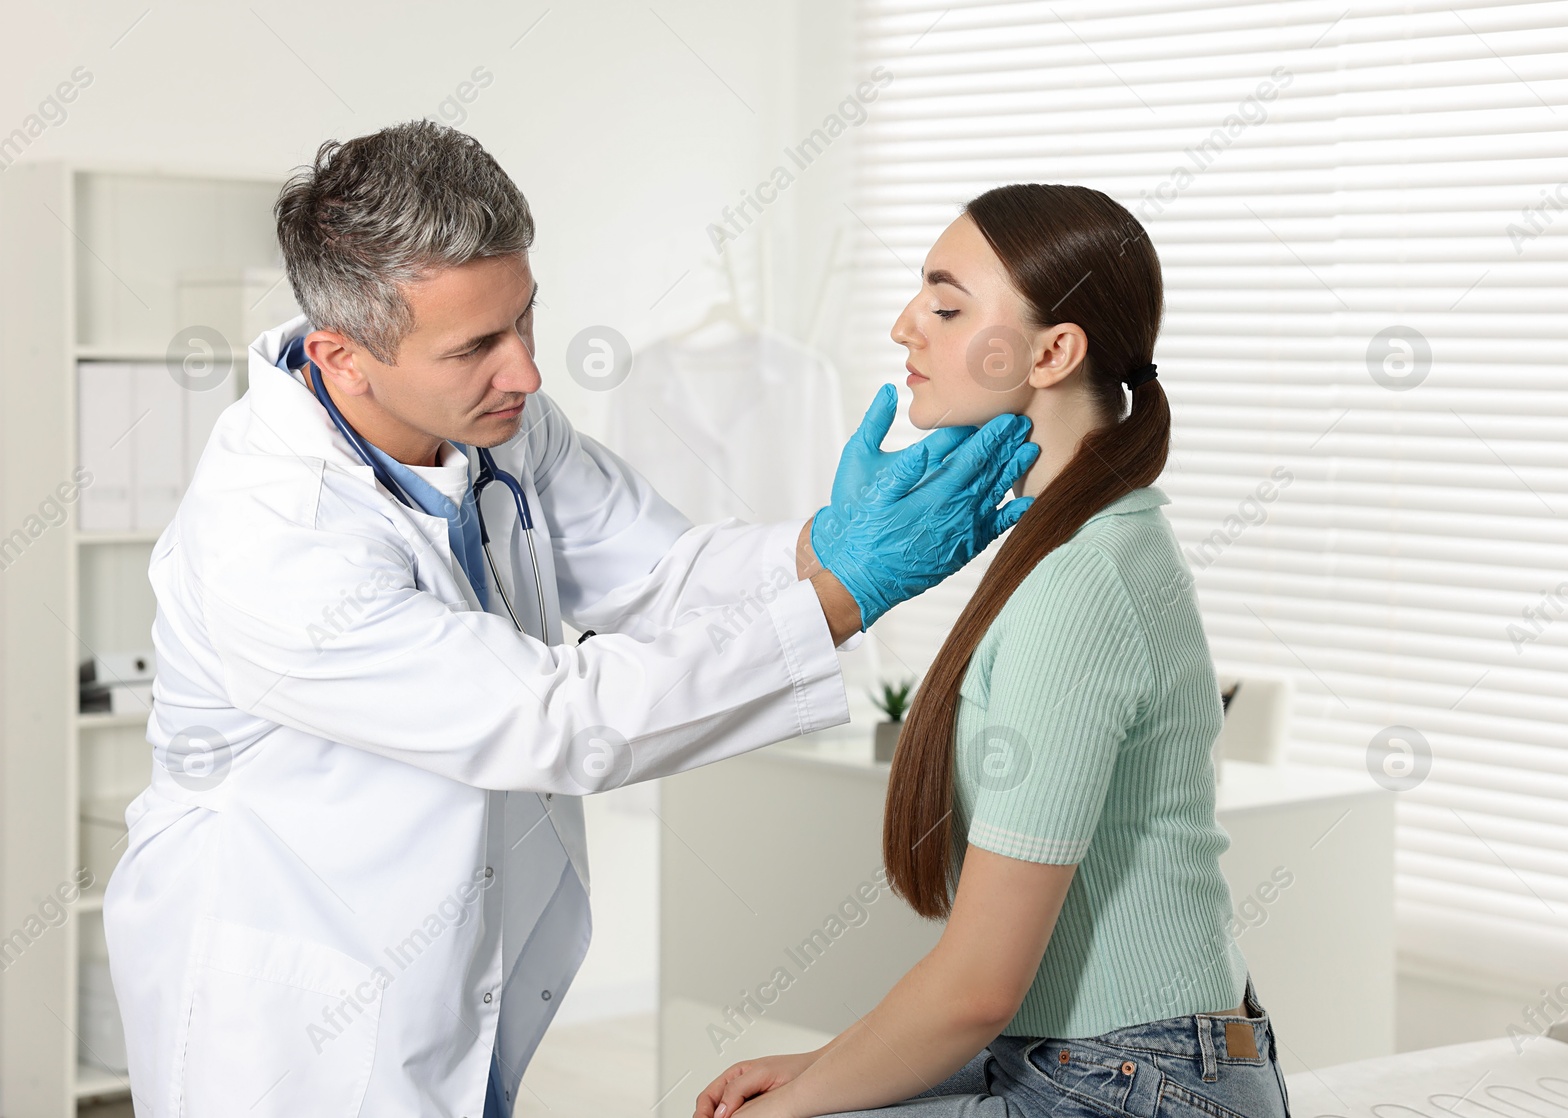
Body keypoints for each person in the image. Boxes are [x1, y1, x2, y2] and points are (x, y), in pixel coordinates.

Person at [101, 122, 1040, 1118]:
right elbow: (554, 719)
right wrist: (848, 592)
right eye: (476, 346)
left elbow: (665, 573)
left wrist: (826, 543)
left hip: (448, 965)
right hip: (297, 1008)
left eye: (524, 321)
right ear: (342, 356)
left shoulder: (491, 420)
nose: (527, 373)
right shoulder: (275, 535)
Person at [692, 183, 1293, 1118]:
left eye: (945, 304)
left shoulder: (1083, 580)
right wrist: (824, 1070)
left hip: (1138, 1079)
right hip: (1096, 1058)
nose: (905, 326)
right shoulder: (1082, 537)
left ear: (1053, 352)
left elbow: (976, 991)